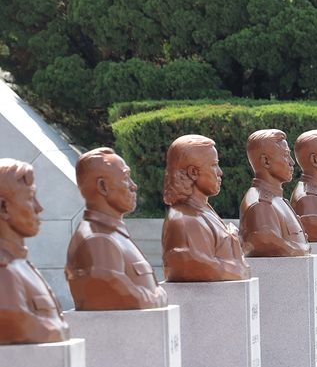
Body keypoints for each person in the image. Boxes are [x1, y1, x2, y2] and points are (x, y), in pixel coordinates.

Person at [66, 147, 167, 310]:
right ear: (103, 186)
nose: (133, 186)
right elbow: (120, 297)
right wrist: (156, 296)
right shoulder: (97, 241)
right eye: (126, 178)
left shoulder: (113, 236)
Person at [161, 134, 250, 282]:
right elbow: (195, 266)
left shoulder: (203, 211)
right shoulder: (185, 221)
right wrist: (238, 268)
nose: (220, 172)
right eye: (214, 165)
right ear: (193, 172)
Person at [0, 158, 69, 344]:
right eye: (30, 199)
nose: (39, 208)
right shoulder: (4, 273)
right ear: (3, 207)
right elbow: (21, 326)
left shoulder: (20, 265)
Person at [239, 129, 310, 257]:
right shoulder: (261, 206)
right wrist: (300, 249)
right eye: (285, 155)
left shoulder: (278, 200)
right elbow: (266, 243)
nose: (292, 162)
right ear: (266, 161)